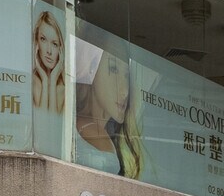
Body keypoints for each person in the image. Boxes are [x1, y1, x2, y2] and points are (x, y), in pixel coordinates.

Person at [73, 43, 145, 180]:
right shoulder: (95, 133)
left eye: (126, 76)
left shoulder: (85, 127)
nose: (124, 90)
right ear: (91, 68)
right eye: (113, 69)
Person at [31, 10, 68, 114]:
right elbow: (41, 126)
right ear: (36, 42)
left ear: (60, 49)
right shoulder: (30, 82)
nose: (49, 51)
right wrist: (44, 79)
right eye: (43, 39)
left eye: (54, 44)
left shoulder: (65, 89)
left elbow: (51, 126)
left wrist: (51, 82)